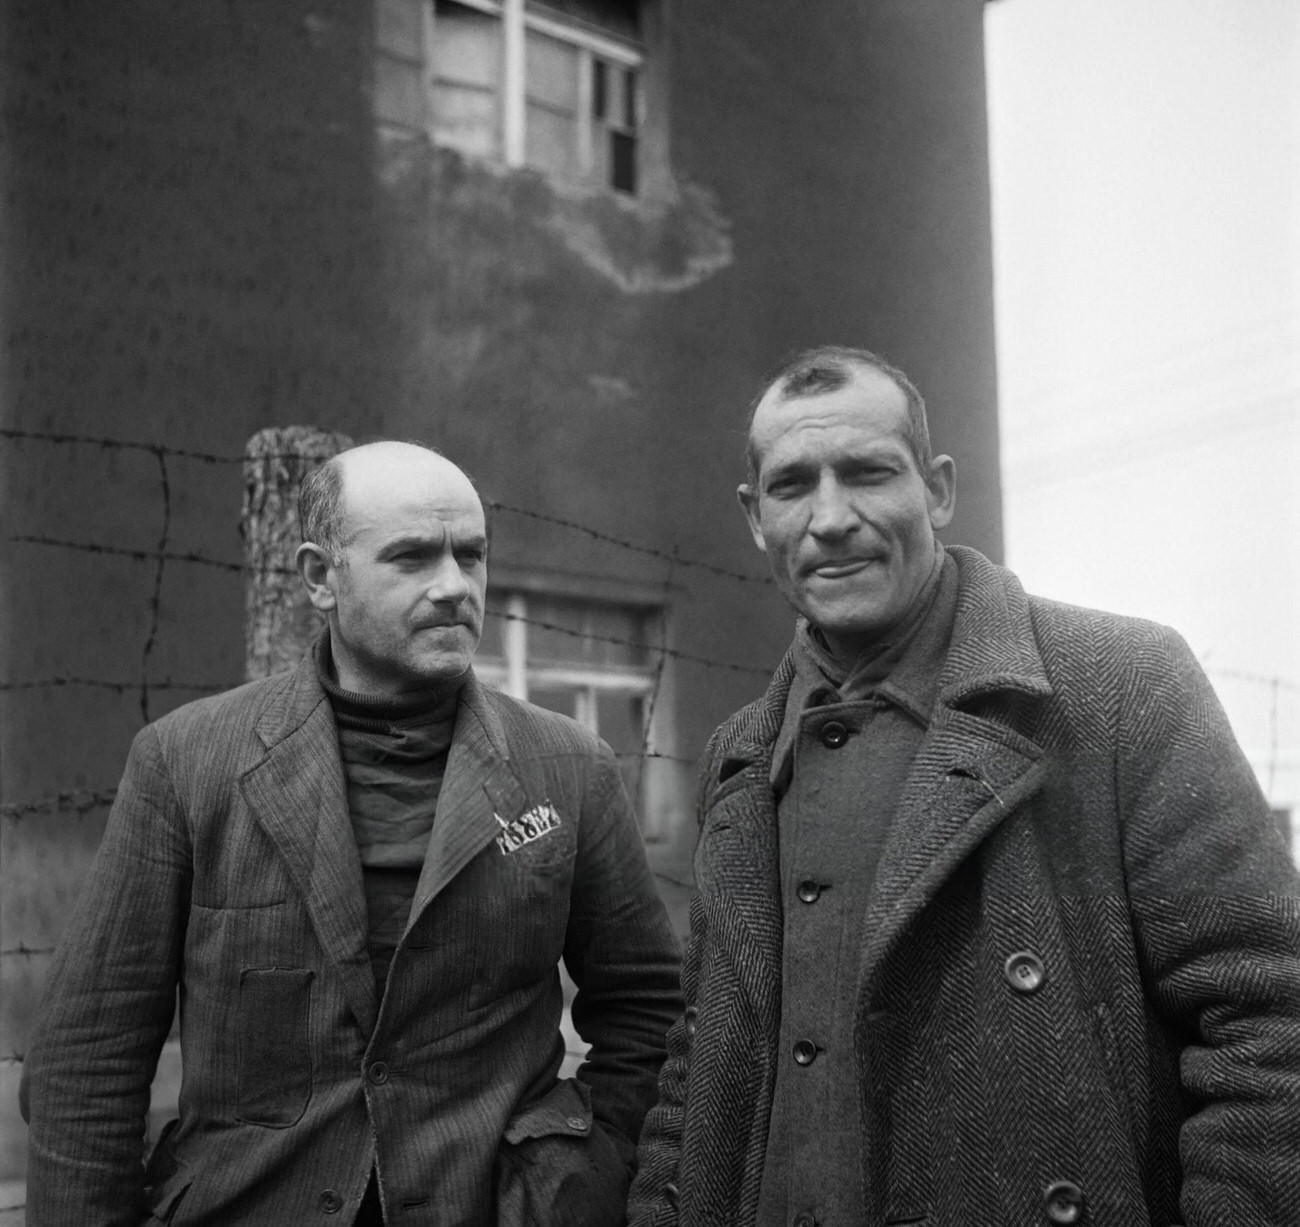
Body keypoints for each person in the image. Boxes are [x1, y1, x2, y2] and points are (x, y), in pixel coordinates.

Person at [628, 346, 1300, 1227]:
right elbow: (698, 1056)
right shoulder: (741, 753)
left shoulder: (1118, 687)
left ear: (938, 489)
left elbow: (1267, 1020)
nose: (831, 518)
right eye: (794, 486)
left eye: (868, 473)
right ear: (757, 517)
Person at [22, 440, 682, 1227]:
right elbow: (87, 1057)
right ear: (319, 576)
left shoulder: (568, 765)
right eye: (411, 557)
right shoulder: (188, 762)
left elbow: (647, 1009)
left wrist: (583, 1171)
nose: (453, 586)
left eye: (470, 555)